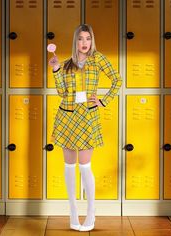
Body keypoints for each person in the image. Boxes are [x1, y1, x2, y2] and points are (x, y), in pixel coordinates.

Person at [48, 24, 122, 231]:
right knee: (69, 167)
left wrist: (103, 100)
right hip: (67, 116)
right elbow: (62, 93)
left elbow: (117, 80)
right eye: (80, 39)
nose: (84, 43)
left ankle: (91, 213)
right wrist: (55, 70)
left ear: (92, 40)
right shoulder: (66, 64)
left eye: (87, 38)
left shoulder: (98, 58)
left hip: (87, 118)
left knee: (85, 166)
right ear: (75, 41)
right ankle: (73, 212)